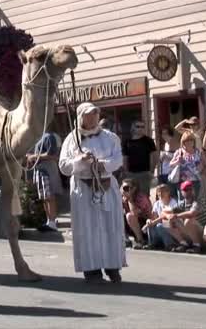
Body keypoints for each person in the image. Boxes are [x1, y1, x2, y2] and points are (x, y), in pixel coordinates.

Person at [59, 102, 126, 284]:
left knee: (109, 227)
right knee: (87, 229)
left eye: (95, 114)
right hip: (83, 187)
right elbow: (64, 166)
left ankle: (113, 267)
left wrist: (101, 164)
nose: (92, 118)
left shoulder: (110, 137)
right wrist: (79, 161)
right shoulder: (72, 139)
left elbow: (118, 159)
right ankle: (92, 270)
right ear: (81, 117)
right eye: (88, 115)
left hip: (105, 186)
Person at [27, 131, 63, 231]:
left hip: (48, 170)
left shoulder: (49, 136)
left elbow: (53, 155)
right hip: (40, 170)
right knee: (44, 197)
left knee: (49, 196)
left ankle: (52, 222)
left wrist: (34, 156)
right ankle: (49, 221)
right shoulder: (39, 137)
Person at [162, 181, 206, 254]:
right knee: (165, 221)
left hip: (204, 233)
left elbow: (192, 213)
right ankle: (183, 243)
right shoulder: (182, 203)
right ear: (181, 192)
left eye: (190, 189)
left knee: (188, 220)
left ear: (193, 190)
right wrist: (169, 216)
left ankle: (197, 245)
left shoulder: (198, 201)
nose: (189, 191)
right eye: (186, 190)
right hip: (191, 233)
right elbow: (164, 211)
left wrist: (176, 216)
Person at [169, 131, 206, 201]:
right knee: (182, 203)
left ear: (194, 142)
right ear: (183, 142)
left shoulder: (198, 152)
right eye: (187, 141)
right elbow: (171, 164)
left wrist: (202, 173)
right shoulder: (179, 152)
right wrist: (177, 161)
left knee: (194, 203)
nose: (189, 142)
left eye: (191, 140)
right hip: (182, 182)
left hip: (195, 182)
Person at [122, 120, 156, 196]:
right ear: (133, 128)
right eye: (138, 126)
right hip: (131, 174)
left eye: (142, 127)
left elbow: (153, 156)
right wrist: (126, 172)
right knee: (131, 196)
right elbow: (125, 158)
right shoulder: (127, 142)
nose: (140, 128)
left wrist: (151, 171)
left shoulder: (149, 141)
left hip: (144, 173)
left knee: (144, 196)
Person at [142, 184, 177, 250]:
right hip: (159, 226)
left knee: (160, 225)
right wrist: (149, 221)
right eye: (159, 192)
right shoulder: (157, 203)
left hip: (171, 226)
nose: (160, 194)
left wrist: (152, 223)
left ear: (168, 192)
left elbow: (165, 217)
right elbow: (154, 217)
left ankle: (170, 244)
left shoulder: (173, 202)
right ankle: (152, 244)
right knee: (150, 224)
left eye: (163, 191)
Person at [121, 178, 152, 249]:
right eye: (123, 188)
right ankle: (125, 240)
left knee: (129, 216)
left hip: (146, 225)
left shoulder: (141, 198)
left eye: (127, 188)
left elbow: (134, 213)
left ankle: (140, 240)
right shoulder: (123, 198)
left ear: (134, 188)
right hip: (133, 225)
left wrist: (130, 199)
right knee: (118, 216)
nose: (124, 190)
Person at [158, 127, 180, 198]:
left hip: (171, 171)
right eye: (162, 133)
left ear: (170, 134)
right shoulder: (165, 144)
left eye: (165, 133)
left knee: (171, 192)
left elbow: (178, 156)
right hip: (163, 170)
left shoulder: (174, 142)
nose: (163, 135)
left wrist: (167, 156)